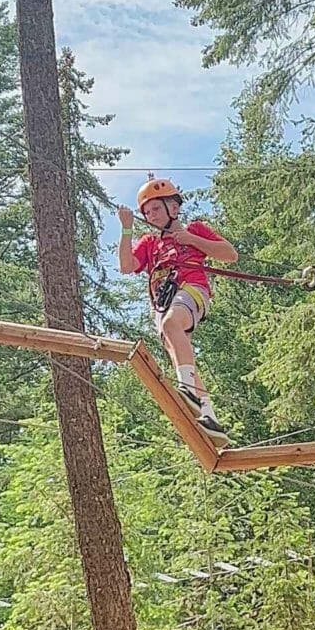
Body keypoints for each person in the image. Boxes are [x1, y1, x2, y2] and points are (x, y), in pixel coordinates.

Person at [118, 178, 238, 445]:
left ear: (173, 207)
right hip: (164, 302)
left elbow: (230, 255)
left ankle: (188, 391)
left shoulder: (194, 230)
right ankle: (209, 417)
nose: (151, 216)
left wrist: (192, 239)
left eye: (156, 210)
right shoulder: (149, 243)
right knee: (179, 353)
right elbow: (127, 266)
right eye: (147, 213)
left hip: (192, 289)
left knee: (173, 325)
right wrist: (127, 230)